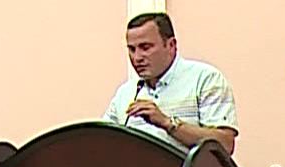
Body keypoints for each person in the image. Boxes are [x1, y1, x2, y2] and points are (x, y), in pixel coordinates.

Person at [101, 12, 240, 154]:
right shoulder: (125, 93)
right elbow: (102, 142)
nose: (137, 58)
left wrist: (167, 123)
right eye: (132, 49)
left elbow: (225, 144)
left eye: (145, 47)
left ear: (171, 45)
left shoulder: (205, 79)